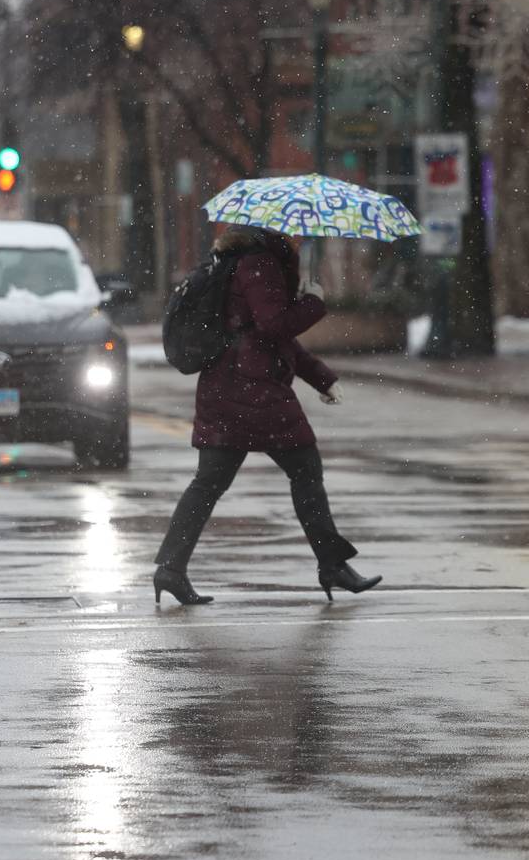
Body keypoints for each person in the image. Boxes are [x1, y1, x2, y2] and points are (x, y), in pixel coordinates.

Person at [152, 226, 382, 605]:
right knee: (305, 471)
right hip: (253, 389)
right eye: (296, 231)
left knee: (208, 483)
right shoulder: (260, 264)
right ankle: (332, 565)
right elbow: (274, 326)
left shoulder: (236, 262)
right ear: (277, 230)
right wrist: (313, 302)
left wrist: (320, 378)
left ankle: (170, 569)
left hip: (225, 386)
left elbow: (267, 336)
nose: (300, 236)